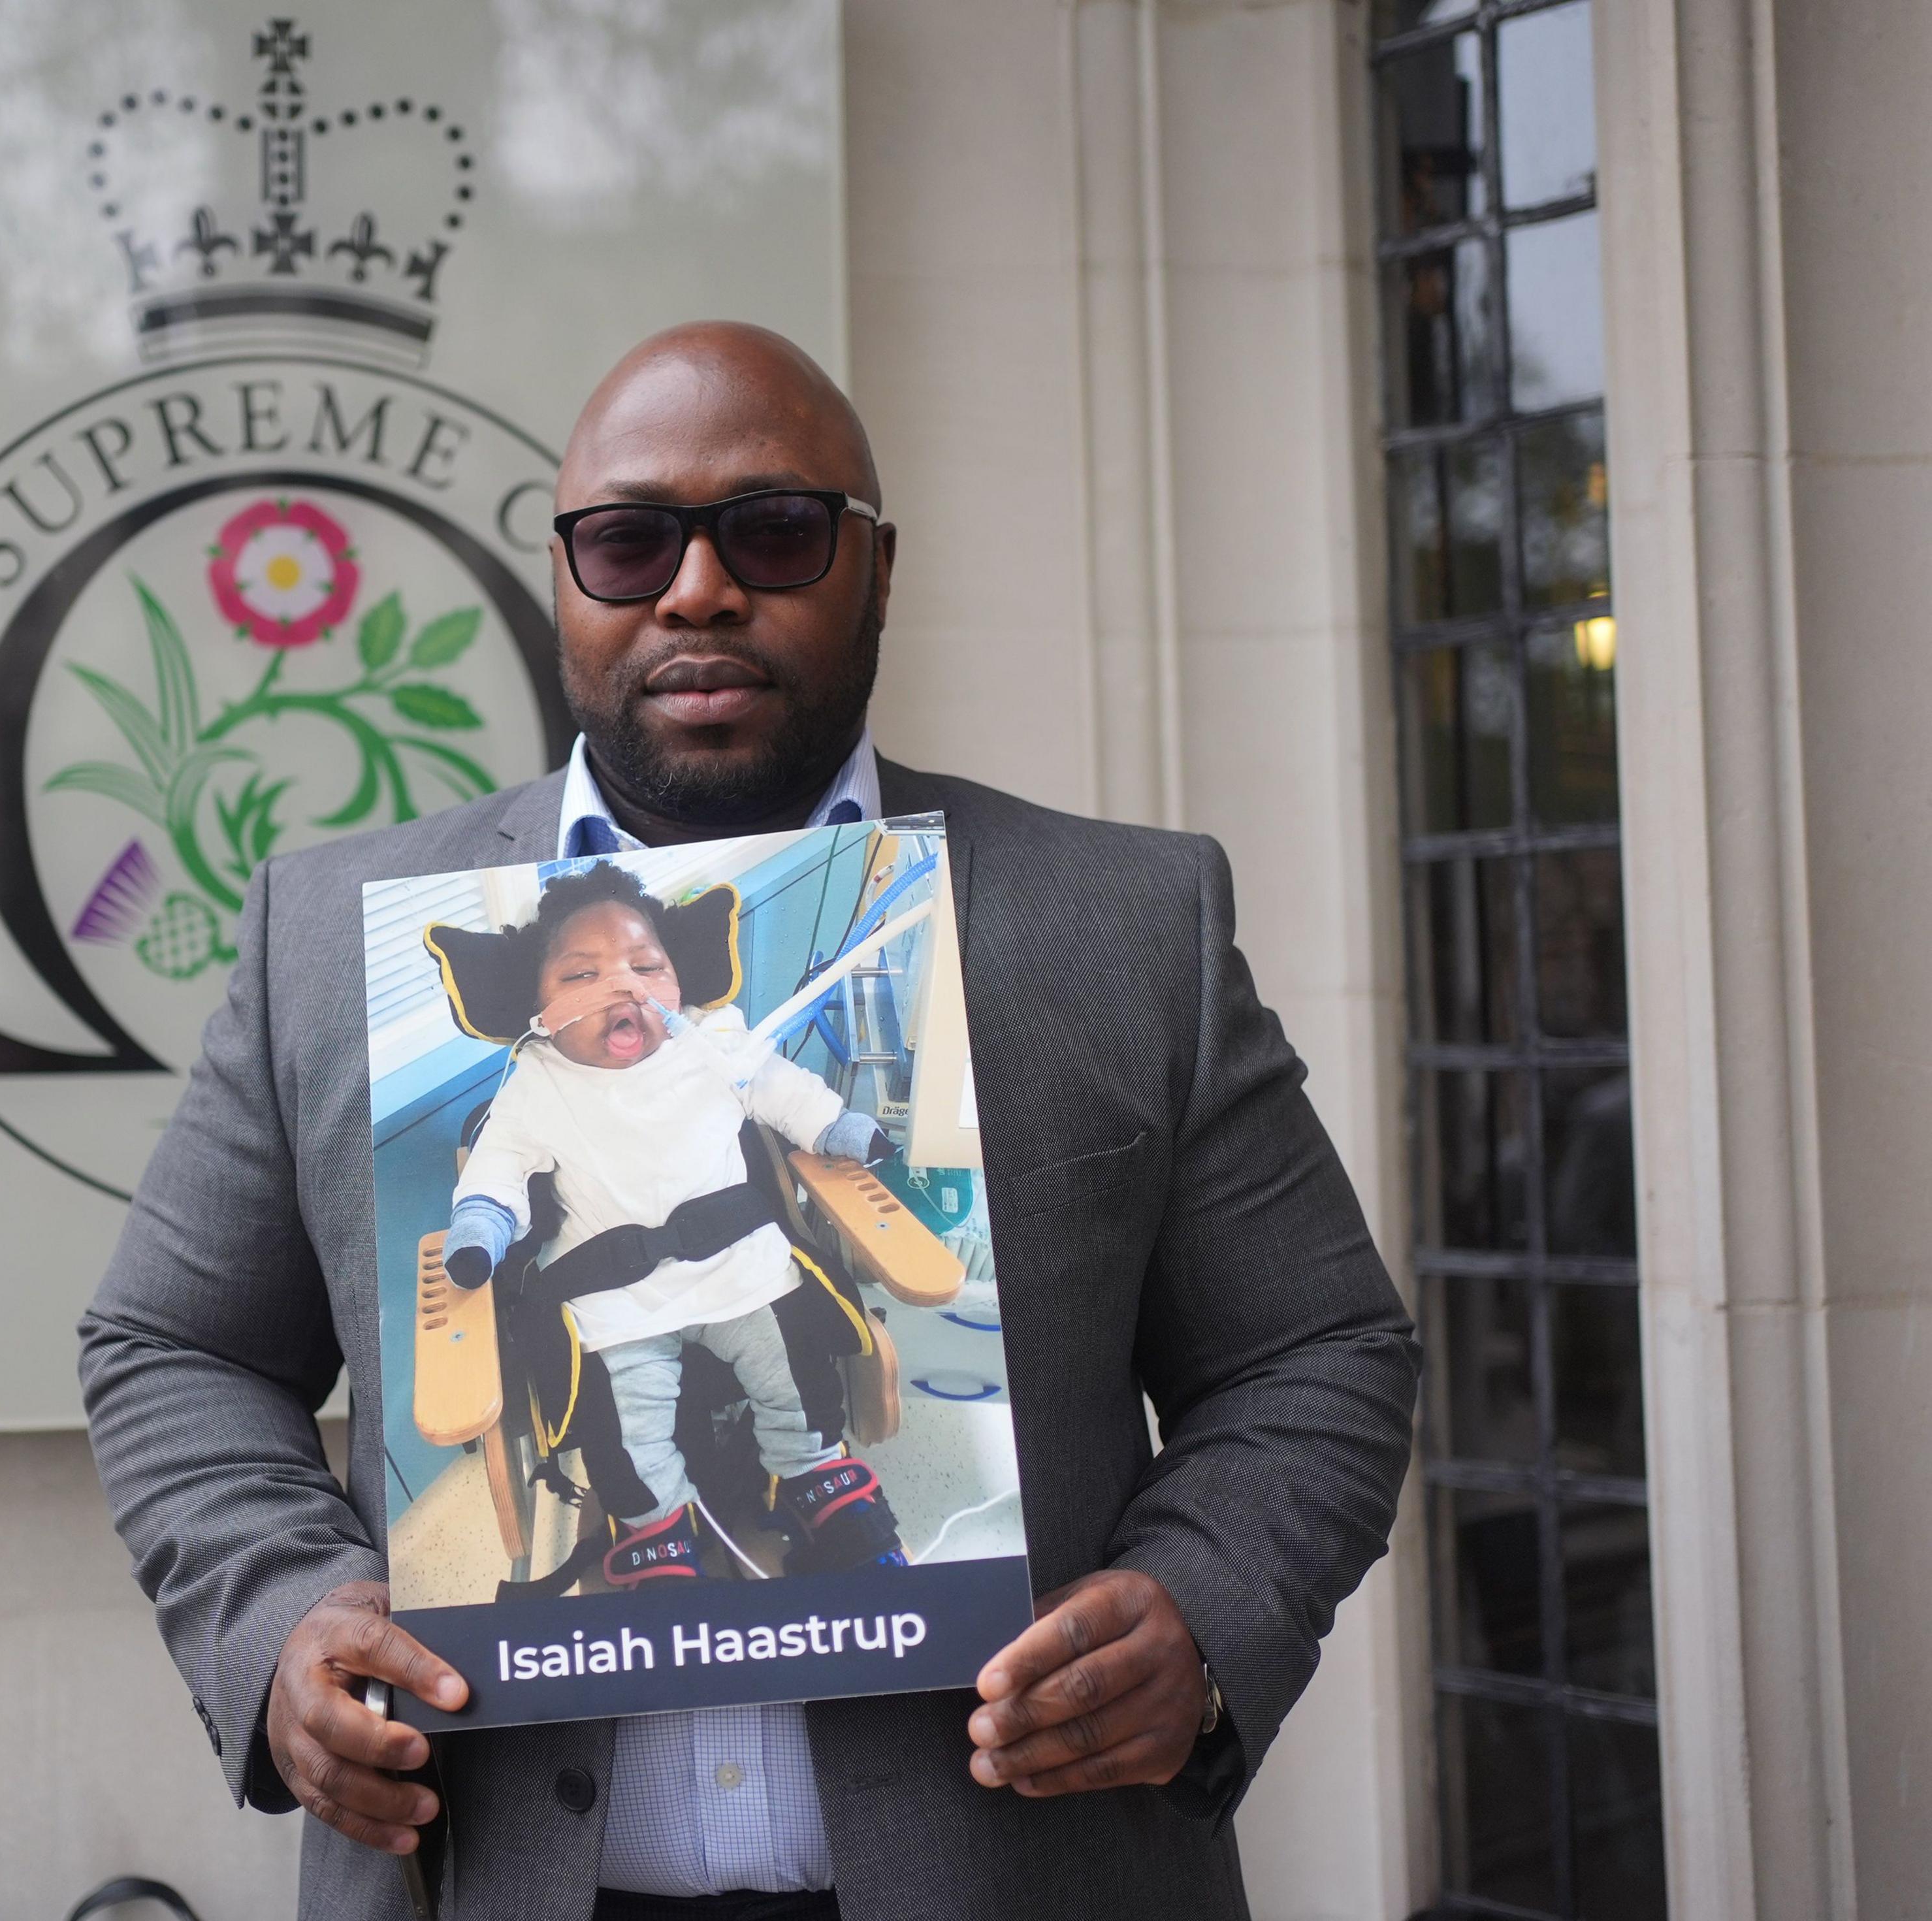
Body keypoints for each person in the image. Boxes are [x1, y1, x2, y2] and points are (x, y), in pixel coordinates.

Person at [80, 321, 1419, 1921]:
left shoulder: (1126, 927)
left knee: (787, 1394)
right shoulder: (328, 938)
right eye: (629, 540)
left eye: (773, 531)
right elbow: (175, 1348)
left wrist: (1203, 1610)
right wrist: (279, 1619)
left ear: (878, 565)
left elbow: (1314, 1349)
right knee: (638, 1436)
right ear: (565, 579)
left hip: (1026, 1872)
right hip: (490, 1874)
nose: (697, 589)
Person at [438, 863, 906, 1589]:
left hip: (740, 1271)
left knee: (800, 1371)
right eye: (583, 975)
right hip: (616, 1304)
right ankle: (655, 1526)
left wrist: (835, 1125)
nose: (624, 986)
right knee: (622, 1429)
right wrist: (480, 1226)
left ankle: (814, 1476)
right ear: (538, 1007)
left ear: (678, 982)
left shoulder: (714, 1044)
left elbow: (782, 1091)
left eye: (646, 966)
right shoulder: (535, 1083)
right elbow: (496, 1171)